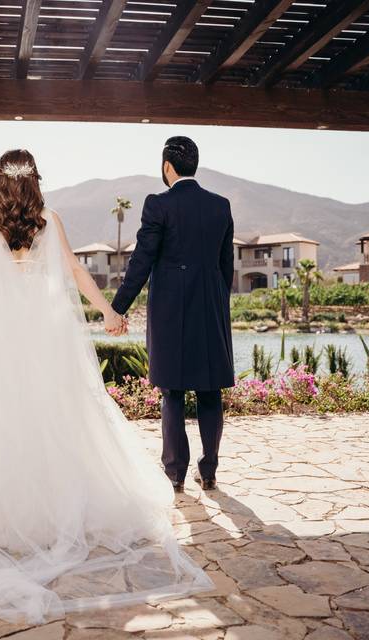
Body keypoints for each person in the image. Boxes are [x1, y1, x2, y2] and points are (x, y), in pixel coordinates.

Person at [0, 148, 212, 623]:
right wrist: (107, 310)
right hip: (45, 329)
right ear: (35, 180)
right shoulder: (50, 219)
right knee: (54, 411)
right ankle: (51, 502)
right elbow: (76, 271)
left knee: (2, 412)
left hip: (2, 327)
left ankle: (5, 506)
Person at [111, 136, 235, 493]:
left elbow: (141, 261)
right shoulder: (220, 206)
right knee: (210, 392)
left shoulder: (157, 205)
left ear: (167, 166)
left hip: (170, 312)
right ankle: (208, 469)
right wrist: (217, 302)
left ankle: (175, 473)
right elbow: (225, 264)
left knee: (173, 393)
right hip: (211, 308)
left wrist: (119, 306)